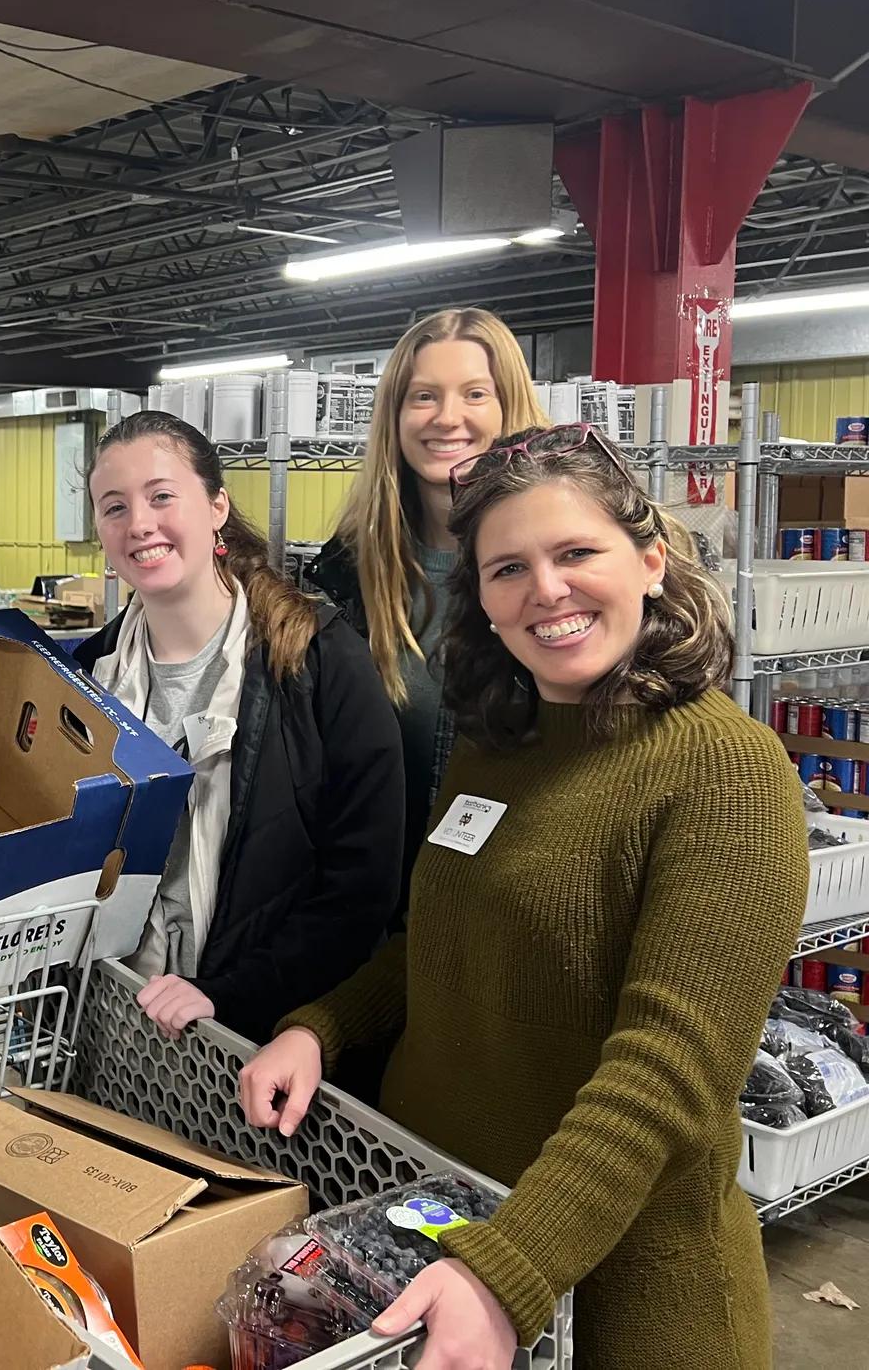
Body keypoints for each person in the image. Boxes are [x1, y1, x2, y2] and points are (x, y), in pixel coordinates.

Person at [238, 424, 806, 1370]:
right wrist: (321, 1027)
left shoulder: (726, 772)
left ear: (652, 562)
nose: (545, 590)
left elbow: (667, 1071)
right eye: (508, 569)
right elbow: (439, 946)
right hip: (439, 1229)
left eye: (577, 552)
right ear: (484, 605)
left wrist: (508, 1267)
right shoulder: (498, 747)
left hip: (619, 1292)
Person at [72, 411, 405, 1043]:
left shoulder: (319, 663)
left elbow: (362, 889)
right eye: (113, 507)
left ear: (217, 505)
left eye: (162, 496)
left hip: (258, 1041)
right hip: (110, 1017)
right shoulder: (89, 676)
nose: (139, 523)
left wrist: (226, 995)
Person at [307, 307, 546, 886]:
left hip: (511, 894)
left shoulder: (552, 575)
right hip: (378, 897)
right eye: (424, 397)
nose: (448, 418)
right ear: (395, 416)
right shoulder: (343, 577)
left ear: (508, 406)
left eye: (474, 394)